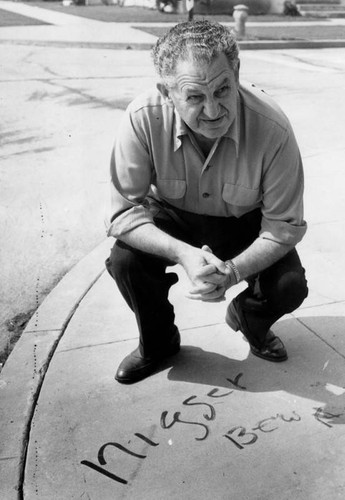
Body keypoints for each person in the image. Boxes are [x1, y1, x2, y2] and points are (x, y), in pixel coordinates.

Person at [106, 20, 308, 384]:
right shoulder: (140, 118)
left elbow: (283, 226)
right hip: (174, 220)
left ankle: (251, 319)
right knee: (125, 261)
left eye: (222, 90)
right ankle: (158, 343)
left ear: (237, 73)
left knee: (289, 285)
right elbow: (123, 214)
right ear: (166, 94)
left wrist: (231, 273)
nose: (213, 111)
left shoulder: (273, 128)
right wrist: (183, 253)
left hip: (244, 224)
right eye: (195, 97)